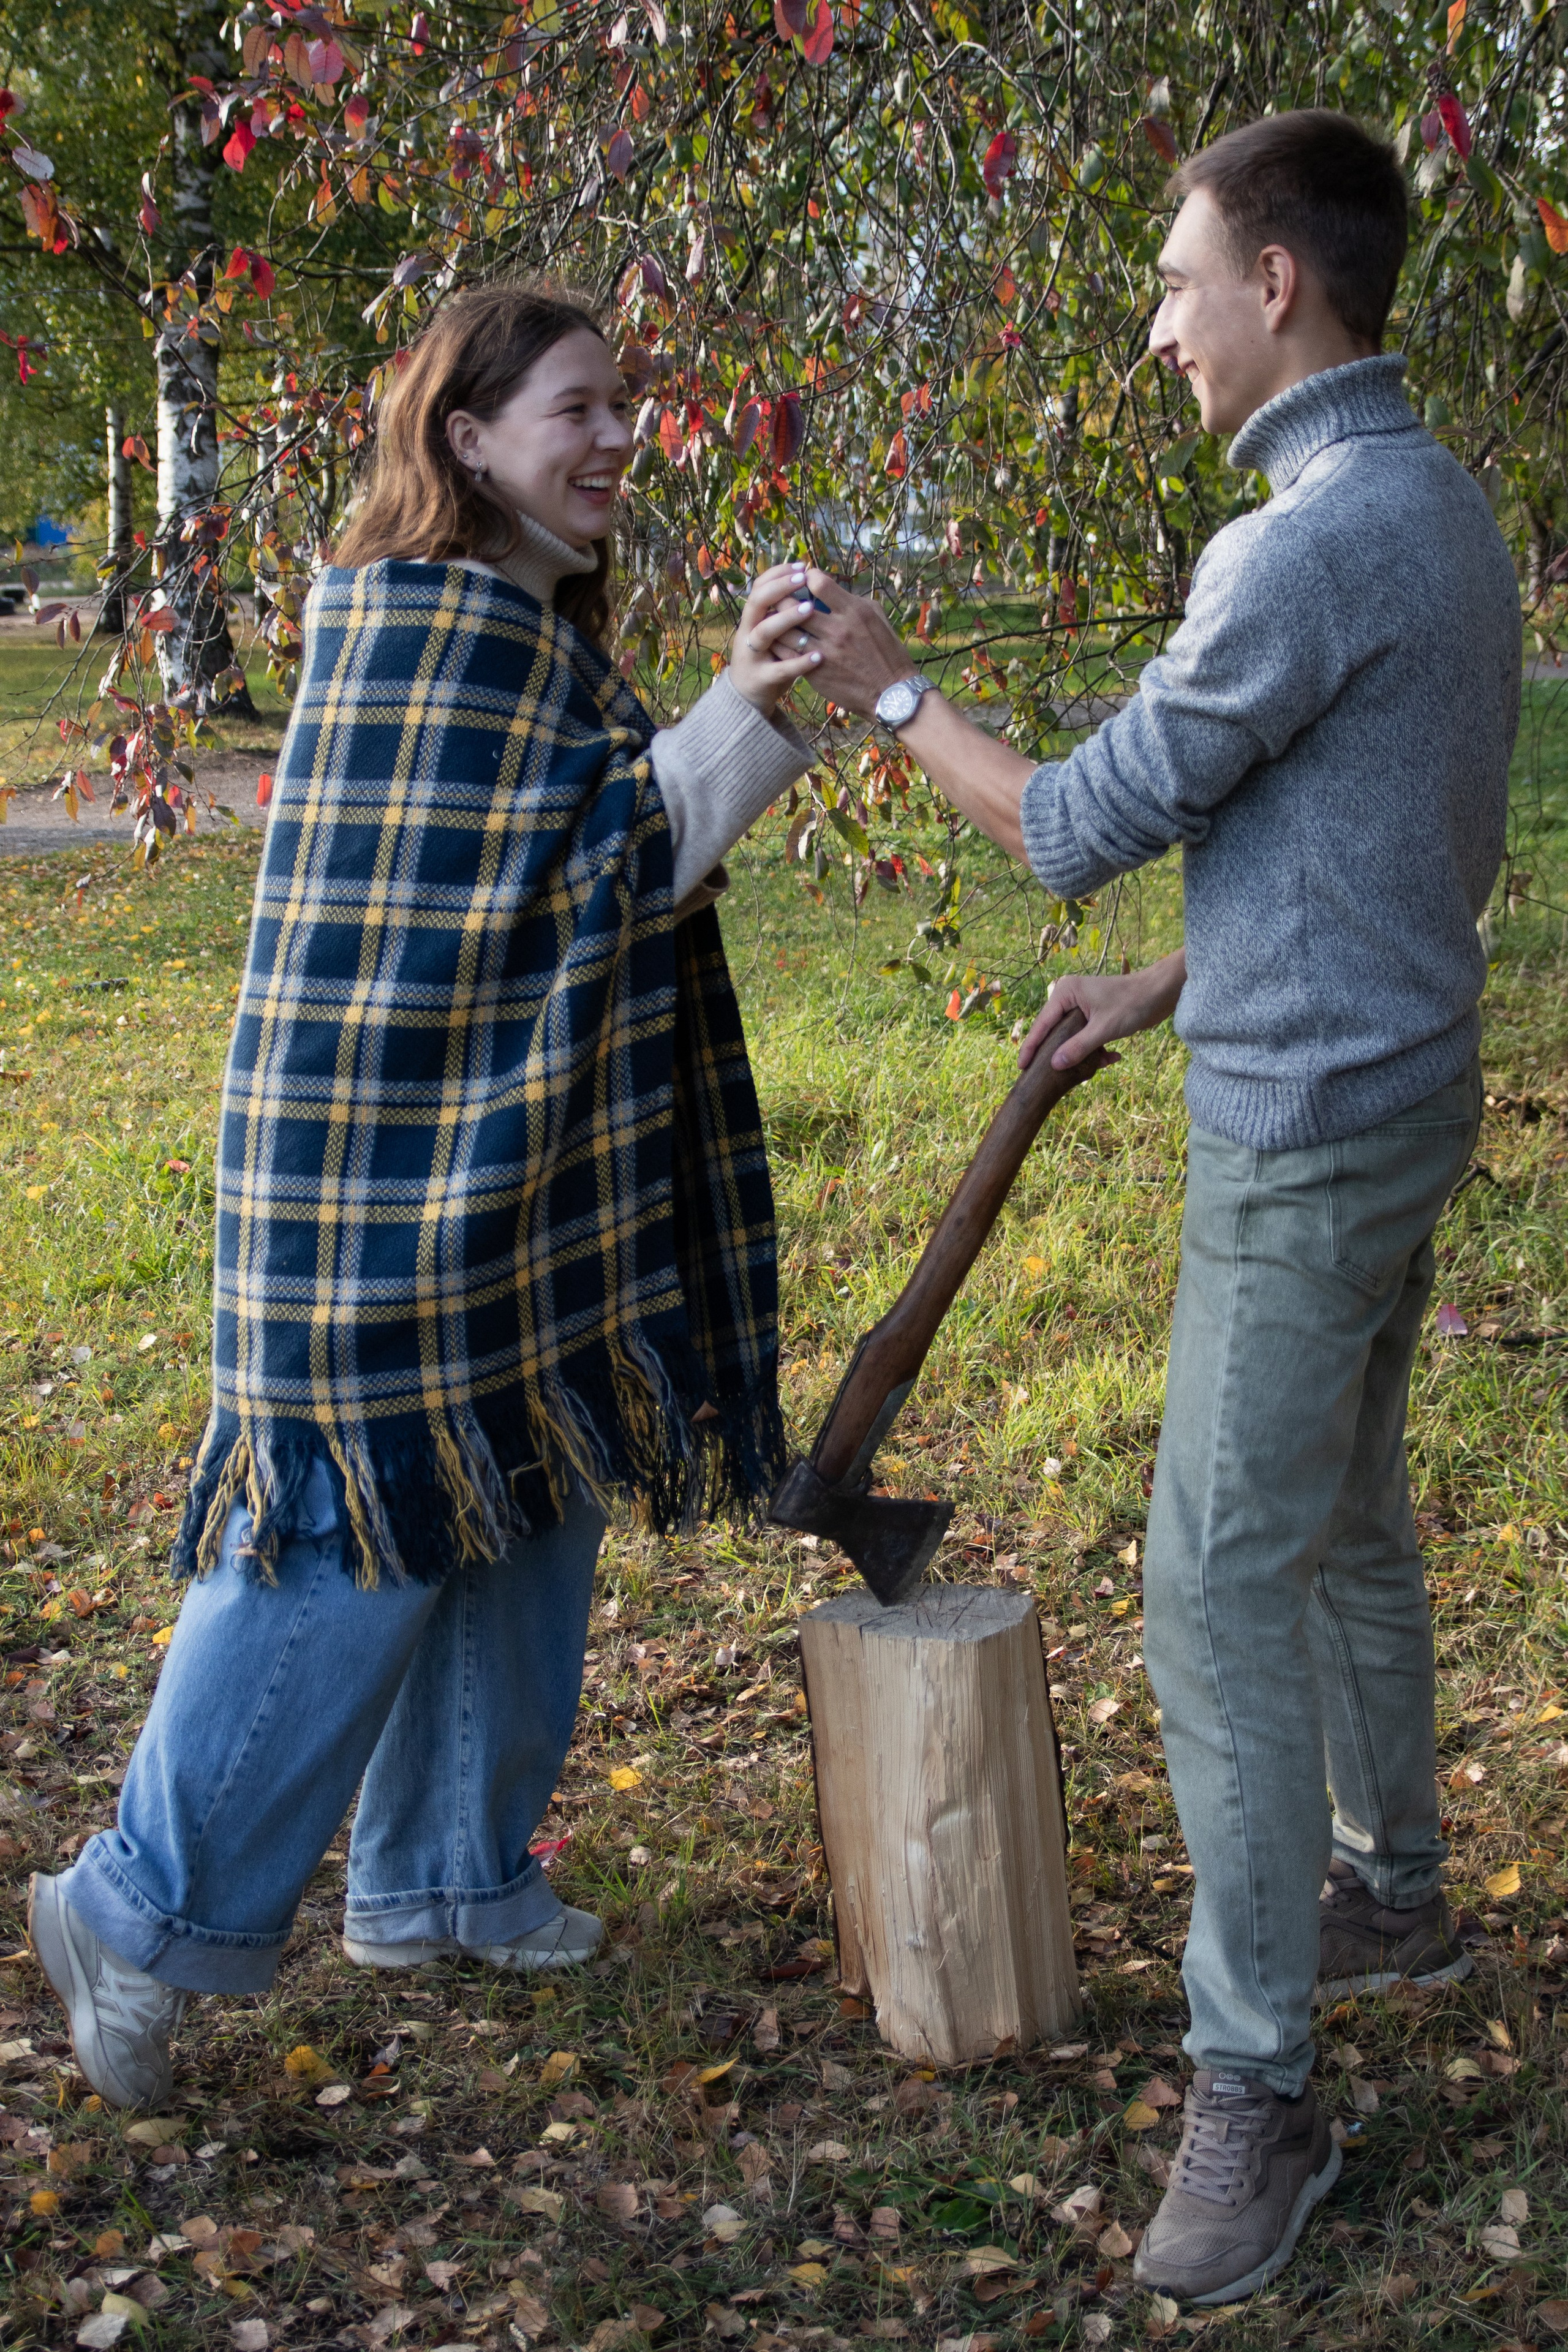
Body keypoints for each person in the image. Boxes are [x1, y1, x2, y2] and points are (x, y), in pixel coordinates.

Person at [791, 112, 1520, 2305]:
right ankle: (1387, 1885)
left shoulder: (1292, 548)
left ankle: (1259, 2085)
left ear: (1280, 286)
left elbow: (1072, 819)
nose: (1159, 323)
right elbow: (1362, 829)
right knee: (1354, 1519)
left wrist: (890, 690)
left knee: (1211, 1581)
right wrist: (1172, 980)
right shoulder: (1441, 507)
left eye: (1180, 280)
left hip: (1308, 1138)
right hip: (1405, 1093)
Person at [29, 281, 830, 2111]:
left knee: (519, 1490)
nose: (616, 436)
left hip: (511, 1165)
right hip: (379, 1177)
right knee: (351, 1536)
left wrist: (734, 709)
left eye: (624, 405)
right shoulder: (416, 630)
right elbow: (607, 867)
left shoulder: (527, 630)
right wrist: (746, 707)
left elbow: (612, 869)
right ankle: (131, 1904)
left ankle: (444, 1877)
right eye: (575, 408)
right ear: (467, 439)